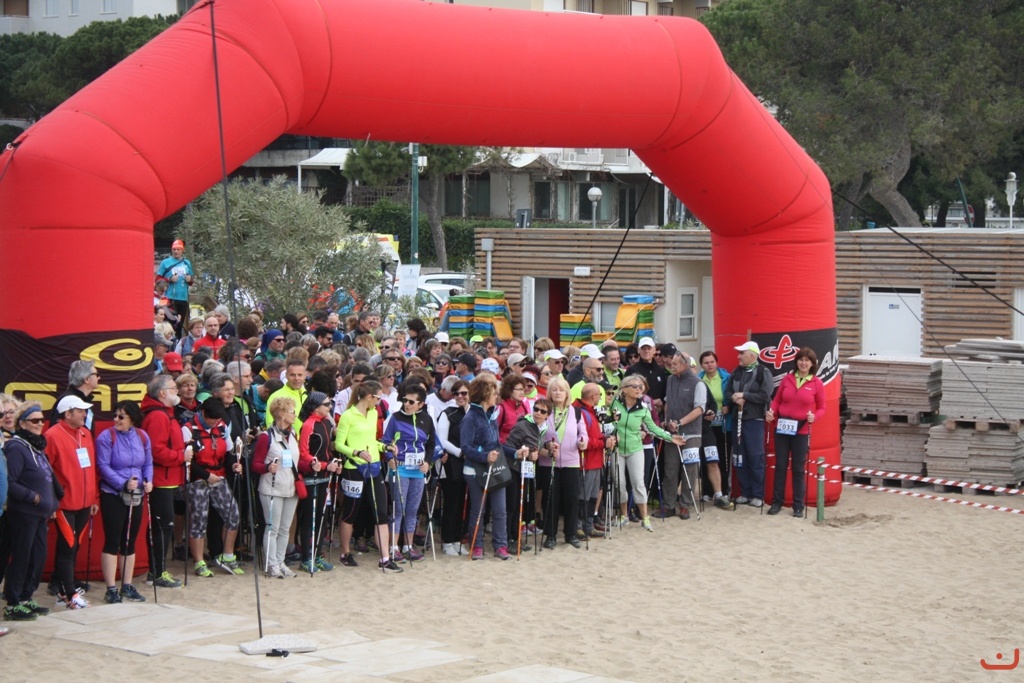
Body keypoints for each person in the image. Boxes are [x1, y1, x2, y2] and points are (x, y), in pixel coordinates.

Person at [334, 380, 401, 572]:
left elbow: (371, 440)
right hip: (354, 468)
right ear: (369, 396)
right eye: (378, 397)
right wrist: (356, 452)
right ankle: (345, 552)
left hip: (373, 467)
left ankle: (385, 558)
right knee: (350, 512)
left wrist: (385, 447)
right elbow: (339, 444)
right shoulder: (348, 415)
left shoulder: (373, 413)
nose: (380, 401)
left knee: (381, 512)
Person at [3, 402, 58, 622]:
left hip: (40, 514)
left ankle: (26, 597)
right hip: (24, 513)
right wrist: (33, 497)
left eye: (42, 420)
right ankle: (13, 603)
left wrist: (51, 503)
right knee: (22, 557)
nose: (40, 424)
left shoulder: (36, 446)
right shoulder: (16, 447)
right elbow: (9, 482)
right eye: (34, 420)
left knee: (37, 557)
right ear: (22, 423)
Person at [95, 400, 154, 604]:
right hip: (113, 493)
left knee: (130, 540)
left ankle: (127, 585)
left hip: (136, 494)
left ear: (132, 418)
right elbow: (103, 466)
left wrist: (148, 481)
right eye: (115, 415)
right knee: (113, 540)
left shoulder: (142, 436)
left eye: (121, 416)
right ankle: (111, 588)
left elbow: (147, 463)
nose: (116, 420)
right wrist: (122, 483)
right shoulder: (106, 437)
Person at [44, 395, 99, 609]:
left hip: (85, 503)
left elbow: (91, 468)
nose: (85, 414)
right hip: (64, 504)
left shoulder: (85, 433)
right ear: (68, 413)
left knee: (74, 547)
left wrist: (93, 497)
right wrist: (52, 502)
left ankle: (62, 589)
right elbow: (46, 473)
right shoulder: (52, 435)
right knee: (67, 548)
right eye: (81, 411)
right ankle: (70, 594)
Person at [611, 376, 685, 531]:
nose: (639, 389)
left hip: (635, 449)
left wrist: (670, 437)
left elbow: (653, 428)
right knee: (620, 484)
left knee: (638, 483)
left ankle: (645, 518)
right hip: (616, 449)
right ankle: (624, 516)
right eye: (635, 386)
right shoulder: (615, 403)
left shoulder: (643, 408)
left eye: (640, 387)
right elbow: (607, 422)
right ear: (624, 389)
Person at [186, 398, 245, 577]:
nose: (215, 422)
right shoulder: (188, 429)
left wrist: (234, 465)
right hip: (198, 479)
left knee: (233, 514)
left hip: (218, 476)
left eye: (218, 419)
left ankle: (227, 556)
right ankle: (199, 562)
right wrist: (206, 476)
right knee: (199, 520)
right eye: (212, 419)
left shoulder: (222, 427)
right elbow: (187, 460)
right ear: (203, 413)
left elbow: (229, 452)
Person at [140, 375, 189, 589]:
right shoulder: (158, 416)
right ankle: (157, 572)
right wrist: (181, 456)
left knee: (164, 525)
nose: (177, 390)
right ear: (162, 393)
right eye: (173, 387)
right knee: (162, 526)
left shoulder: (165, 413)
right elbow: (156, 450)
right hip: (161, 478)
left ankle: (158, 570)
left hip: (168, 476)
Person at [766, 347, 826, 517]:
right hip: (782, 427)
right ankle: (777, 502)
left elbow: (822, 407)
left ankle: (798, 505)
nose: (803, 363)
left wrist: (814, 417)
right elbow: (777, 400)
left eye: (807, 360)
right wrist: (771, 411)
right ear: (796, 362)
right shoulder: (788, 379)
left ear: (812, 364)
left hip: (801, 430)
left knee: (798, 468)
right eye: (801, 360)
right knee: (780, 465)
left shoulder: (816, 383)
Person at [381, 382, 435, 563]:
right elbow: (386, 441)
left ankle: (408, 546)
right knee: (398, 509)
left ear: (421, 404)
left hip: (418, 470)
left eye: (412, 402)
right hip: (400, 467)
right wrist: (390, 458)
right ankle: (393, 548)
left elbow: (431, 444)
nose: (407, 404)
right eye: (405, 400)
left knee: (412, 509)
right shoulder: (396, 418)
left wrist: (427, 462)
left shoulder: (426, 419)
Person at [460, 376, 511, 560]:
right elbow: (466, 447)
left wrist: (516, 453)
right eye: (493, 393)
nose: (496, 396)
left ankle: (501, 545)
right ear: (484, 394)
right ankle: (477, 546)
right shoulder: (470, 417)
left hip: (494, 469)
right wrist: (485, 456)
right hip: (475, 471)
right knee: (478, 510)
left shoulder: (491, 415)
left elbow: (497, 445)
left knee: (500, 510)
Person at [251, 397, 301, 578]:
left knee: (285, 528)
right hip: (272, 487)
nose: (294, 415)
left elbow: (296, 461)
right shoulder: (267, 437)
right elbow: (255, 464)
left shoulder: (293, 434)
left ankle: (280, 561)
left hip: (290, 488)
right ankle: (271, 564)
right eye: (291, 412)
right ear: (281, 414)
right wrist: (267, 467)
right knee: (272, 527)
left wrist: (312, 464)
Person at [538, 376, 586, 549]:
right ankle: (550, 535)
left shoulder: (576, 412)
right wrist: (546, 445)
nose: (558, 393)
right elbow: (537, 434)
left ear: (567, 393)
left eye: (561, 390)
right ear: (549, 393)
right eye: (554, 389)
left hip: (571, 461)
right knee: (550, 498)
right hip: (549, 462)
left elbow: (583, 433)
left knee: (571, 498)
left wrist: (582, 441)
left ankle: (571, 533)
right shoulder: (544, 411)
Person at [661, 352, 708, 520]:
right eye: (671, 363)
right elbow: (667, 403)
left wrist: (679, 422)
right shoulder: (670, 380)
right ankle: (669, 505)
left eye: (675, 363)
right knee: (670, 469)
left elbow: (699, 409)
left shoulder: (698, 383)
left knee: (690, 470)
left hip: (691, 433)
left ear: (685, 365)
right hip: (672, 433)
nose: (671, 366)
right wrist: (666, 420)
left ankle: (685, 504)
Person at [727, 342, 774, 508]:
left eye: (742, 353)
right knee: (739, 457)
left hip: (754, 420)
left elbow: (765, 396)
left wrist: (745, 396)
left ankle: (757, 494)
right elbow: (728, 391)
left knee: (755, 457)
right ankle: (745, 492)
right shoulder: (736, 371)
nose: (738, 356)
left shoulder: (763, 372)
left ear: (752, 355)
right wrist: (734, 398)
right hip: (737, 418)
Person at [297, 391, 340, 572]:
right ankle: (306, 558)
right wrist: (323, 465)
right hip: (312, 476)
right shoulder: (309, 425)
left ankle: (317, 555)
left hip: (325, 476)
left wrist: (333, 463)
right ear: (316, 407)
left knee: (322, 517)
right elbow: (303, 453)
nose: (330, 407)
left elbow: (327, 449)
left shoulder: (326, 422)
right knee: (310, 518)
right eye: (326, 404)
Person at [574, 384, 613, 539]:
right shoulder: (580, 412)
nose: (600, 398)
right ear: (593, 396)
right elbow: (583, 441)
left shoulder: (590, 411)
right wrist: (603, 443)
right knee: (583, 496)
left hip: (596, 460)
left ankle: (588, 525)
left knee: (592, 496)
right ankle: (578, 526)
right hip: (587, 461)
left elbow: (595, 435)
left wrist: (605, 438)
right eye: (599, 395)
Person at [436, 379, 469, 556]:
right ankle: (448, 540)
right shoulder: (447, 413)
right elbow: (442, 439)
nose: (460, 396)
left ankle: (458, 539)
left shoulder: (474, 413)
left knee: (464, 503)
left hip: (470, 462)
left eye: (464, 393)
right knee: (451, 502)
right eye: (456, 393)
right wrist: (459, 452)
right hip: (452, 463)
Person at [698, 350, 732, 500]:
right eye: (706, 363)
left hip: (723, 423)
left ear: (716, 363)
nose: (709, 365)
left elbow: (731, 396)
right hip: (706, 424)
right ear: (701, 365)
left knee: (722, 458)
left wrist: (728, 406)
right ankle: (707, 491)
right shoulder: (698, 380)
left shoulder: (726, 378)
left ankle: (722, 490)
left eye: (712, 362)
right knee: (706, 457)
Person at [157, 239, 194, 339]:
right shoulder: (165, 262)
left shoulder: (187, 263)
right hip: (167, 298)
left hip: (183, 298)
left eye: (178, 249)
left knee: (179, 324)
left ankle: (177, 343)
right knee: (167, 323)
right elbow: (158, 279)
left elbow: (191, 281)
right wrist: (169, 279)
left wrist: (189, 280)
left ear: (182, 250)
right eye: (174, 249)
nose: (176, 251)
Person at [49, 360, 100, 431]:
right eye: (96, 375)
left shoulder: (85, 400)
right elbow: (56, 431)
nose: (99, 378)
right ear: (87, 379)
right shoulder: (67, 401)